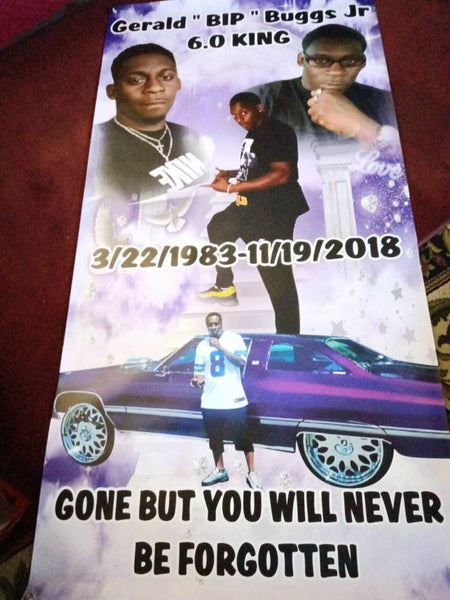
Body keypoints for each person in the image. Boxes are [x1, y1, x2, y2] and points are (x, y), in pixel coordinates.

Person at [199, 92, 309, 335]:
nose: (239, 119)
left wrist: (230, 188)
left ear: (259, 107)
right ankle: (225, 287)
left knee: (276, 276)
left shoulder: (278, 132)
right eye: (235, 116)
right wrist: (232, 173)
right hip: (252, 206)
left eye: (244, 113)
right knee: (218, 225)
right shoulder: (254, 133)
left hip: (275, 211)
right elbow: (259, 166)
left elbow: (281, 174)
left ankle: (289, 337)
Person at [87, 43, 209, 229]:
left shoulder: (189, 136)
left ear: (178, 84)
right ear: (112, 91)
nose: (155, 88)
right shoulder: (95, 143)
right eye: (136, 80)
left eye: (166, 77)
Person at [250, 24, 400, 150]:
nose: (336, 71)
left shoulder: (388, 102)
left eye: (350, 61)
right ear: (301, 60)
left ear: (362, 63)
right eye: (321, 60)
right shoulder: (260, 99)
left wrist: (362, 126)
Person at [191, 312, 261, 489]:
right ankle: (220, 470)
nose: (213, 327)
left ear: (221, 323)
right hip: (211, 400)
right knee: (214, 438)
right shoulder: (201, 346)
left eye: (216, 323)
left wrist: (220, 347)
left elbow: (241, 362)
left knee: (244, 437)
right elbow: (199, 374)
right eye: (210, 324)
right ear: (207, 326)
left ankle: (252, 473)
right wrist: (196, 381)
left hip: (233, 399)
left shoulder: (234, 339)